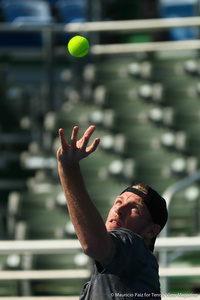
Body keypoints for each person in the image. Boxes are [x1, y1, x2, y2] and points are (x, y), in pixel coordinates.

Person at [57, 125, 168, 300]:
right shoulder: (105, 275)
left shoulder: (134, 245)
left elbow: (93, 244)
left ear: (151, 231)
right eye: (118, 202)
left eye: (134, 208)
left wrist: (68, 168)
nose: (119, 209)